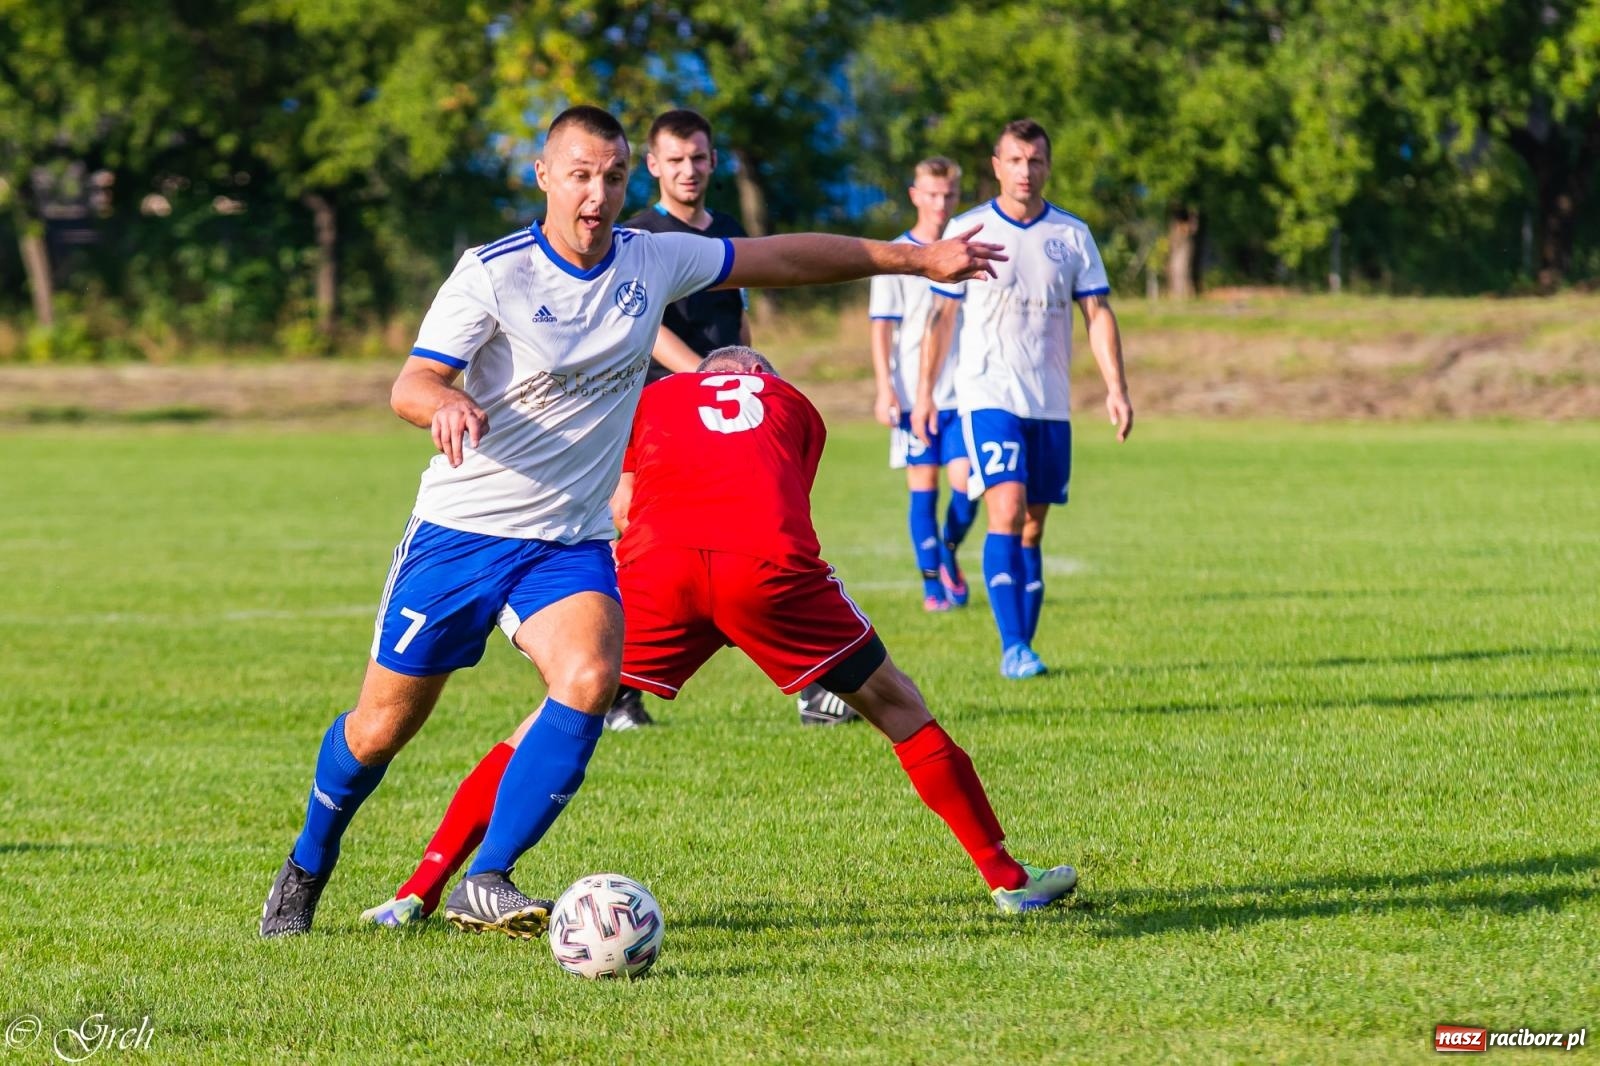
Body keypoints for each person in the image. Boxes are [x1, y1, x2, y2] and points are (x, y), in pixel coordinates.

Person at [259, 104, 1004, 938]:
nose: (598, 194)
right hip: (463, 533)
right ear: (544, 176)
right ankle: (307, 864)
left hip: (569, 542)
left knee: (585, 679)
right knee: (381, 728)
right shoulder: (492, 273)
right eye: (581, 175)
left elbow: (785, 256)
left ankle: (488, 875)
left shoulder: (652, 259)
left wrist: (915, 258)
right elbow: (411, 384)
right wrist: (447, 402)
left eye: (613, 177)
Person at [359, 346, 1079, 933]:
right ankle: (1008, 880)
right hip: (767, 572)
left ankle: (419, 889)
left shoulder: (655, 398)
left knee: (556, 716)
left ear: (704, 377)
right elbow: (782, 495)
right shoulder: (796, 404)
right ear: (761, 379)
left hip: (660, 570)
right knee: (898, 706)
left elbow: (622, 500)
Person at [608, 109, 849, 729]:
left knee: (770, 532)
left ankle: (819, 684)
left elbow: (737, 320)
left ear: (714, 161)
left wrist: (758, 379)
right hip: (657, 415)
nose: (689, 170)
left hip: (729, 412)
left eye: (699, 157)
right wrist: (705, 378)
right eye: (676, 159)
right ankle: (617, 693)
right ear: (653, 166)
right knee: (634, 534)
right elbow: (644, 326)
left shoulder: (729, 232)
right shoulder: (638, 236)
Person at [913, 119, 1132, 680]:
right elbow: (941, 317)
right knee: (1005, 510)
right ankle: (1013, 647)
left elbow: (1097, 313)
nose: (1025, 171)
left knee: (1033, 525)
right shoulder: (968, 229)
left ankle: (1025, 645)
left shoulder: (1073, 236)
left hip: (1049, 402)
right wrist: (924, 395)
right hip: (989, 394)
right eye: (1015, 160)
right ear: (996, 165)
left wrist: (1116, 388)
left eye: (1035, 160)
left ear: (1047, 166)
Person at [868, 156, 977, 613]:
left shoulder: (968, 249)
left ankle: (947, 550)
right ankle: (932, 585)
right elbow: (881, 327)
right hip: (914, 394)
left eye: (948, 194)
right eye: (931, 194)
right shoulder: (896, 254)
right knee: (924, 488)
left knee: (969, 484)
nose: (940, 202)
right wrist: (885, 387)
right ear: (915, 195)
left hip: (967, 390)